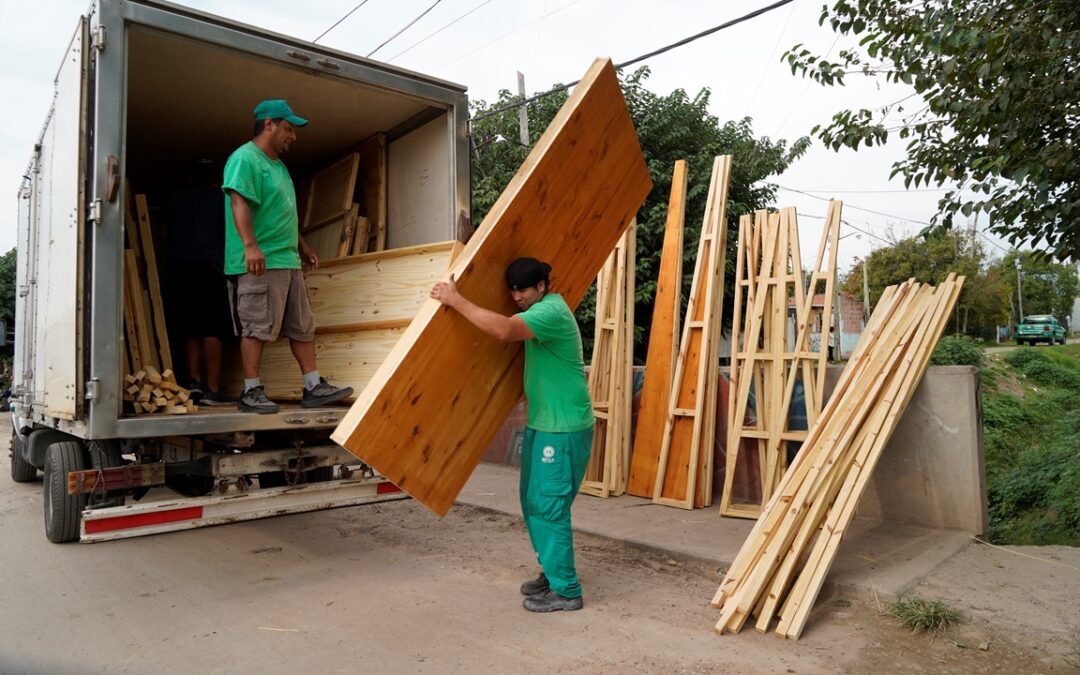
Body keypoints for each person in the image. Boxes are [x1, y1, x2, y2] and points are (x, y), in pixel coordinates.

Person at [431, 258, 593, 613]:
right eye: (514, 290)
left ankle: (567, 592)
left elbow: (503, 330)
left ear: (542, 286)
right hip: (542, 423)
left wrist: (455, 299)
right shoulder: (538, 310)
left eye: (524, 289)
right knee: (533, 502)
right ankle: (553, 572)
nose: (518, 296)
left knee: (550, 506)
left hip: (563, 428)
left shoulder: (550, 311)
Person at [222, 99, 352, 414]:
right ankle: (251, 392)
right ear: (269, 124)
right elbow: (238, 202)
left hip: (288, 262)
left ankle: (312, 386)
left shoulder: (278, 167)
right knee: (257, 327)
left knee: (301, 326)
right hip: (260, 262)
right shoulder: (244, 159)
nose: (292, 135)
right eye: (288, 128)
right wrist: (251, 246)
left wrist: (303, 247)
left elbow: (283, 215)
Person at [163, 158, 234, 405]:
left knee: (190, 328)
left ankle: (193, 382)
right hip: (210, 268)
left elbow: (165, 233)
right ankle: (212, 389)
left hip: (180, 269)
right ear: (217, 180)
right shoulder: (222, 200)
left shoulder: (175, 199)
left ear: (191, 177)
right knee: (212, 328)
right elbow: (232, 232)